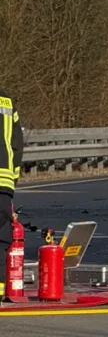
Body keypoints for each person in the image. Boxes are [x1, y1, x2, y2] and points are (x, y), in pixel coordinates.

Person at [0, 89, 25, 299]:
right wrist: (12, 181)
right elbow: (17, 144)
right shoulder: (6, 101)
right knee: (0, 240)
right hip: (4, 183)